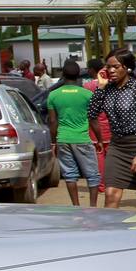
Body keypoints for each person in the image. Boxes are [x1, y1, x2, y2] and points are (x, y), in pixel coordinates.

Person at [87, 49, 136, 215]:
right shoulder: (107, 89)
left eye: (115, 67)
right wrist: (100, 86)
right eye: (108, 67)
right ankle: (110, 236)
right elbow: (92, 114)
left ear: (127, 67)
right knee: (111, 194)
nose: (111, 71)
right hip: (117, 148)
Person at [47, 60, 102, 207]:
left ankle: (76, 206)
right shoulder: (87, 94)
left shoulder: (53, 95)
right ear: (79, 75)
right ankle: (93, 206)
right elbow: (93, 120)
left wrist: (53, 142)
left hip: (63, 139)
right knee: (92, 175)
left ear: (63, 75)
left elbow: (53, 122)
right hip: (83, 138)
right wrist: (100, 140)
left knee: (70, 175)